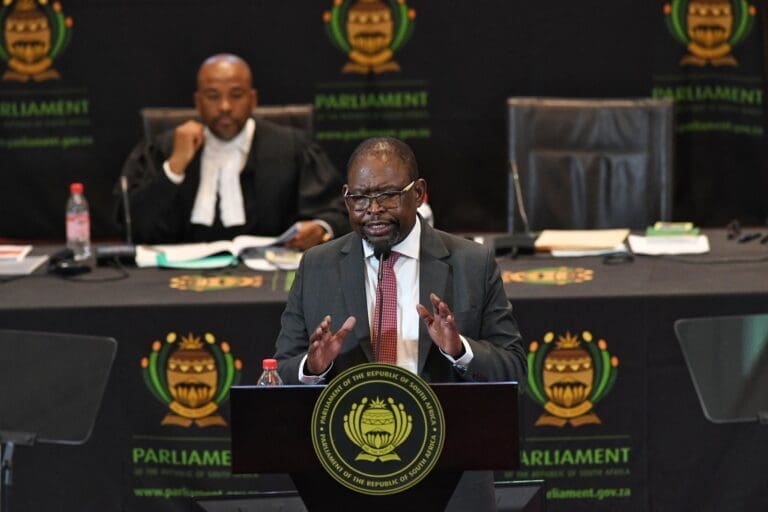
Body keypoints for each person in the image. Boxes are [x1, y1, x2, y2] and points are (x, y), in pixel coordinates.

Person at [273, 137, 526, 511]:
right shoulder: (317, 265)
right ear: (346, 198)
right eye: (360, 198)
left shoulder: (472, 263)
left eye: (388, 195)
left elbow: (514, 372)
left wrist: (460, 350)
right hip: (347, 470)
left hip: (449, 470)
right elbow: (279, 374)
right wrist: (313, 367)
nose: (373, 210)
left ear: (419, 193)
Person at [117, 53, 348, 249]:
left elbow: (339, 209)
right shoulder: (164, 149)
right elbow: (132, 225)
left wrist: (321, 228)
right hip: (172, 277)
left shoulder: (292, 147)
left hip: (273, 272)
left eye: (236, 95)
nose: (225, 106)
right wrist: (175, 167)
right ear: (198, 102)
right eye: (213, 96)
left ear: (253, 99)